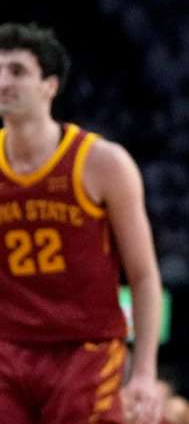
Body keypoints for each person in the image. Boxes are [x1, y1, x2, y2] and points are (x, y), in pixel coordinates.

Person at [0, 22, 163, 424]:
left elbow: (143, 276)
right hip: (7, 347)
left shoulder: (103, 162)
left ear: (50, 86)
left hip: (85, 352)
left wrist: (144, 373)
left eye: (17, 71)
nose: (3, 81)